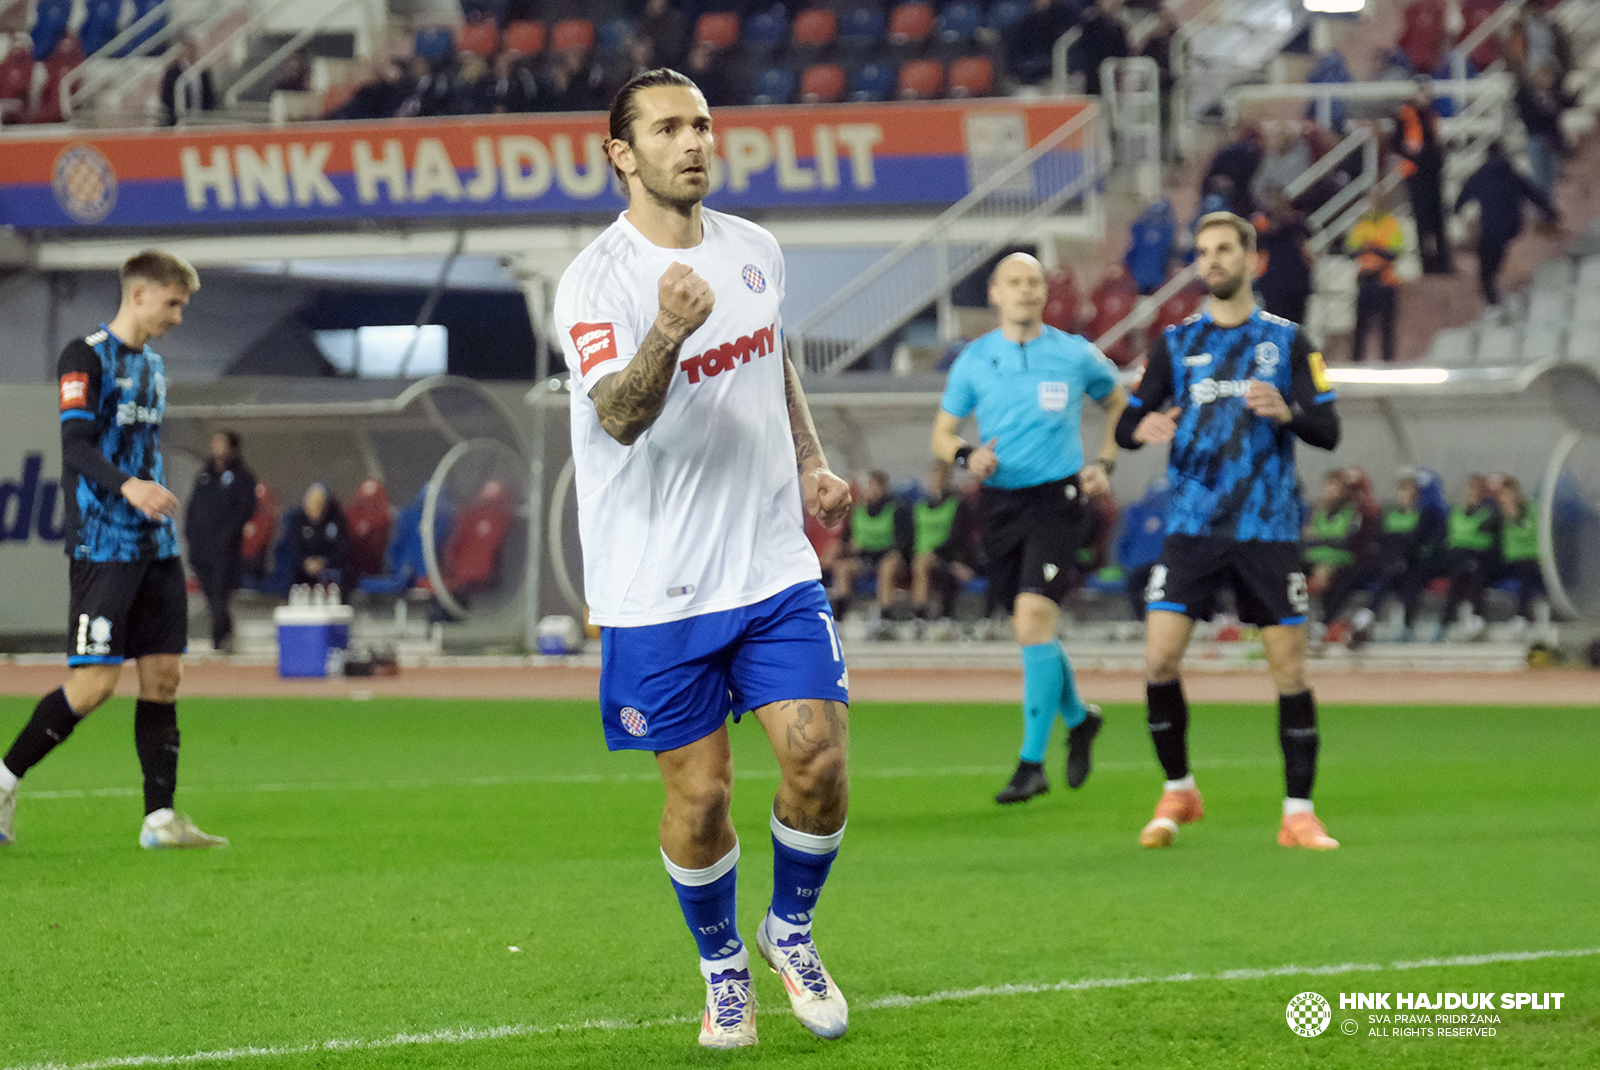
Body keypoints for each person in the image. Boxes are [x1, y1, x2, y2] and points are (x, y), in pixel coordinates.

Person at [554, 68, 855, 1050]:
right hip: (654, 586)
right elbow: (619, 414)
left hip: (770, 564)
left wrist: (810, 460)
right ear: (620, 153)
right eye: (669, 128)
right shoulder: (596, 280)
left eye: (702, 124)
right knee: (701, 793)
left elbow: (774, 355)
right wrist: (668, 330)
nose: (693, 142)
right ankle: (724, 964)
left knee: (816, 756)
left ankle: (791, 930)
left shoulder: (755, 249)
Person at [1113, 211, 1342, 851]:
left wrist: (1287, 410)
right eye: (1203, 252)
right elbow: (1129, 422)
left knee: (1288, 671)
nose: (1211, 261)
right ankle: (1179, 790)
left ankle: (1299, 813)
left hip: (1267, 530)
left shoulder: (1291, 342)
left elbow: (1328, 430)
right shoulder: (1175, 343)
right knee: (1158, 658)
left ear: (1251, 259)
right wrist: (1143, 429)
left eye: (1223, 250)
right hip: (1192, 527)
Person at [0, 251, 226, 851]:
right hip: (104, 544)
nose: (178, 316)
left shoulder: (153, 366)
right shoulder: (84, 355)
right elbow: (74, 445)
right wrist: (129, 487)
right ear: (141, 294)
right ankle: (2, 780)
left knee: (164, 676)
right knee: (94, 685)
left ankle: (160, 819)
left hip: (155, 546)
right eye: (173, 303)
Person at [932, 251, 1128, 805]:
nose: (1026, 290)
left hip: (1058, 499)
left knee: (1031, 622)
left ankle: (1031, 762)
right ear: (995, 293)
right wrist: (969, 454)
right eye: (1014, 282)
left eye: (1034, 282)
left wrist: (1105, 463)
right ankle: (1079, 717)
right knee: (1032, 629)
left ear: (1046, 292)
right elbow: (942, 436)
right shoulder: (974, 360)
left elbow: (1119, 404)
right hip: (998, 503)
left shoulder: (1073, 354)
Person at [1323, 467, 1447, 644]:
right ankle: (1326, 621)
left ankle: (1365, 619)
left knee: (1390, 577)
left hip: (1402, 562)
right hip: (1382, 558)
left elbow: (1415, 543)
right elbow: (1380, 537)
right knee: (1347, 576)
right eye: (1401, 490)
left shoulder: (1423, 516)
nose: (1402, 495)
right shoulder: (1390, 512)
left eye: (1408, 490)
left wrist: (1400, 547)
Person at [1454, 141, 1558, 310]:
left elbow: (1464, 195)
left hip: (1491, 227)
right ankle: (1493, 292)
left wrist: (1456, 209)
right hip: (1512, 226)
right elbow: (1532, 193)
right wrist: (1550, 212)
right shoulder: (1511, 174)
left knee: (1487, 265)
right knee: (1494, 254)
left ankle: (1492, 299)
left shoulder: (1480, 175)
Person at [184, 430, 257, 653]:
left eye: (221, 443)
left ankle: (220, 639)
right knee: (210, 594)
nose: (216, 447)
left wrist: (226, 535)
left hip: (224, 549)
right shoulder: (204, 475)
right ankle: (222, 635)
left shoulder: (242, 477)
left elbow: (245, 509)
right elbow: (193, 507)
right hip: (200, 547)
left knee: (220, 592)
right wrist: (190, 534)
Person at [828, 470, 912, 624]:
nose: (869, 489)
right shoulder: (858, 511)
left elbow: (903, 543)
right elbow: (847, 539)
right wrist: (847, 548)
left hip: (887, 557)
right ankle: (840, 616)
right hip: (865, 559)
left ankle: (885, 616)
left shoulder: (897, 509)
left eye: (872, 485)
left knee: (887, 567)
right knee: (842, 568)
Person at [908, 459, 980, 623]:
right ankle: (915, 612)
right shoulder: (921, 506)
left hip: (945, 553)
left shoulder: (956, 504)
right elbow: (913, 535)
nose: (936, 480)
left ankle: (920, 613)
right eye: (934, 476)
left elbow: (958, 535)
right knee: (917, 561)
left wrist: (938, 552)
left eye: (941, 476)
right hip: (921, 552)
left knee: (922, 563)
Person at [1394, 78, 1453, 275]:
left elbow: (1436, 140)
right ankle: (1427, 264)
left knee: (1437, 218)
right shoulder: (1405, 114)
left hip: (1433, 172)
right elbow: (1396, 142)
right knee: (1422, 219)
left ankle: (1443, 262)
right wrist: (1409, 153)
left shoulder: (1430, 114)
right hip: (1417, 174)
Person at [1436, 472, 1502, 640]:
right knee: (1461, 573)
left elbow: (1487, 539)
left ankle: (1473, 618)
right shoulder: (1457, 512)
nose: (1473, 493)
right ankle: (1450, 621)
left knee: (1472, 574)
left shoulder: (1489, 512)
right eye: (1471, 488)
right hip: (1459, 555)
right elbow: (1452, 538)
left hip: (1481, 556)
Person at [1345, 189, 1405, 363]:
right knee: (1360, 328)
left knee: (1387, 328)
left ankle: (1388, 363)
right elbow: (1350, 250)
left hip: (1385, 281)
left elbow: (1395, 252)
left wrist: (1372, 248)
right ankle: (1356, 363)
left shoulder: (1391, 224)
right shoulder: (1361, 224)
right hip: (1365, 281)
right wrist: (1369, 248)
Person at [1494, 475, 1543, 626]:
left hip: (1529, 555)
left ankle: (1522, 615)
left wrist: (1514, 516)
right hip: (1510, 557)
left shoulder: (1529, 509)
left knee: (1526, 574)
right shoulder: (1499, 514)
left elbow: (1528, 533)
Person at [284, 482, 349, 590]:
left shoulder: (336, 521)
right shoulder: (297, 520)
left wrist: (324, 561)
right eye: (312, 503)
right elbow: (293, 546)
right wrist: (305, 561)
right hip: (303, 567)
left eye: (319, 504)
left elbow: (342, 547)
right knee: (291, 574)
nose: (315, 508)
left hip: (329, 566)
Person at [159, 37, 215, 126]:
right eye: (187, 49)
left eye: (193, 49)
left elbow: (209, 95)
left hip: (200, 120)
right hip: (177, 121)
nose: (191, 52)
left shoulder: (203, 73)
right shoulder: (173, 72)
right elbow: (166, 95)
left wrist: (206, 114)